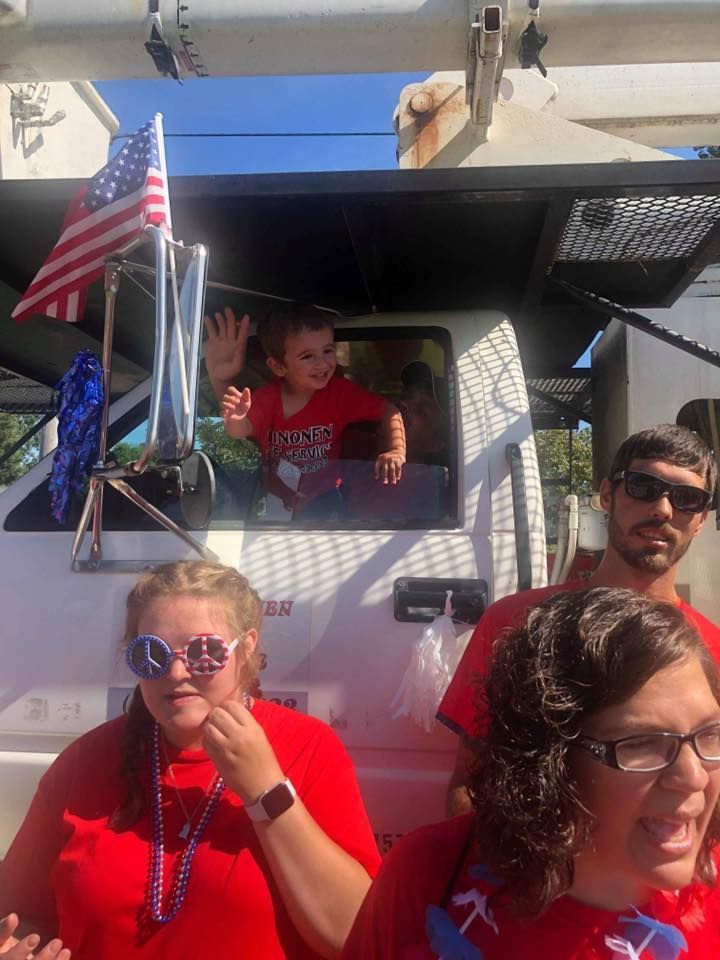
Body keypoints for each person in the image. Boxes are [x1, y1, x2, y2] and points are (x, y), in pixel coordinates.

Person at [0, 560, 381, 960]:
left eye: (204, 652)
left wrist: (266, 791)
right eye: (152, 654)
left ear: (246, 646)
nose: (177, 671)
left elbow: (352, 934)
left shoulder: (307, 747)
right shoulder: (87, 760)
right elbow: (19, 914)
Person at [341, 587, 720, 959]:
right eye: (643, 743)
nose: (694, 776)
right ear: (552, 760)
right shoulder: (429, 871)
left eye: (710, 733)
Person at [439, 423, 720, 815]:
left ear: (702, 519)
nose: (663, 509)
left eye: (688, 498)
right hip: (535, 867)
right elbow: (470, 783)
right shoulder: (514, 621)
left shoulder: (712, 651)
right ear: (607, 495)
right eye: (643, 486)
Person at [204, 304, 406, 515]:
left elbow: (388, 410)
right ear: (278, 367)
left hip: (325, 495)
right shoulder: (267, 399)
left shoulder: (339, 393)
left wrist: (396, 450)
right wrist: (236, 417)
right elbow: (239, 430)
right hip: (277, 496)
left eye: (328, 351)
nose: (322, 363)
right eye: (308, 356)